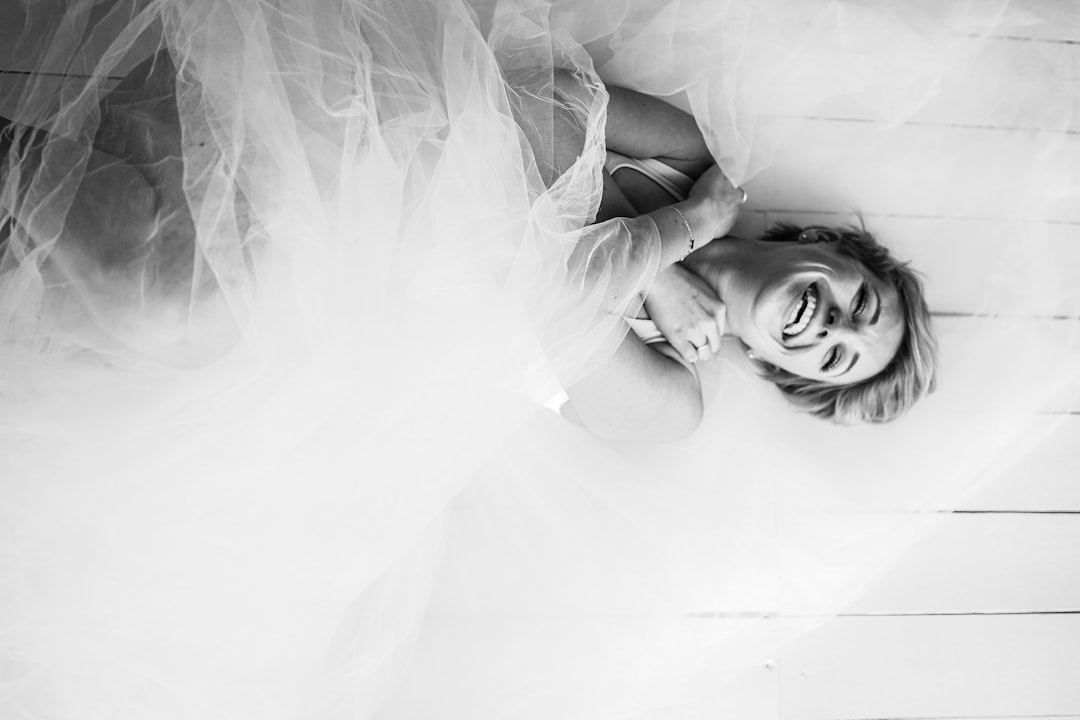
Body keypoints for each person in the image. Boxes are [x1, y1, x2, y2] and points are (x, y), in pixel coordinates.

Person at [0, 2, 1074, 719]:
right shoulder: (695, 153)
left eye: (837, 356)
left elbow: (546, 293)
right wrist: (663, 229)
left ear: (793, 378)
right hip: (369, 139)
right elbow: (519, 95)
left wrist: (668, 246)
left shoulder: (671, 404)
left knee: (156, 298)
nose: (832, 324)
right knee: (147, 256)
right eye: (859, 300)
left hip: (375, 313)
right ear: (829, 252)